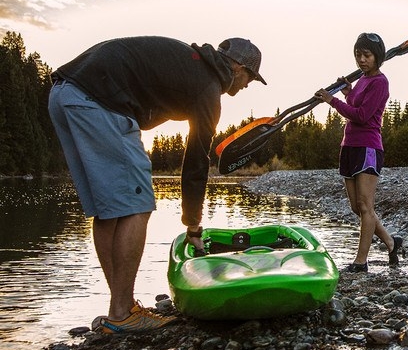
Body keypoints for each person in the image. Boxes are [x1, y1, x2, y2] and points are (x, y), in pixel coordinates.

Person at [48, 36, 267, 333]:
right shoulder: (208, 88)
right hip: (97, 100)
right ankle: (123, 313)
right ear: (239, 68)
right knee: (138, 205)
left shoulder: (191, 66)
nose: (246, 86)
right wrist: (193, 226)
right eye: (250, 79)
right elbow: (196, 164)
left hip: (64, 95)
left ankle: (120, 307)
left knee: (108, 209)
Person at [316, 32, 403, 273]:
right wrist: (347, 92)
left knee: (366, 206)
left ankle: (360, 261)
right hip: (349, 146)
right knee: (358, 207)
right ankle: (391, 243)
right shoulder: (363, 80)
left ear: (378, 57)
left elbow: (363, 115)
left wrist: (332, 101)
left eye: (366, 55)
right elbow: (355, 104)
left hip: (368, 147)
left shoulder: (380, 82)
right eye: (358, 55)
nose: (361, 60)